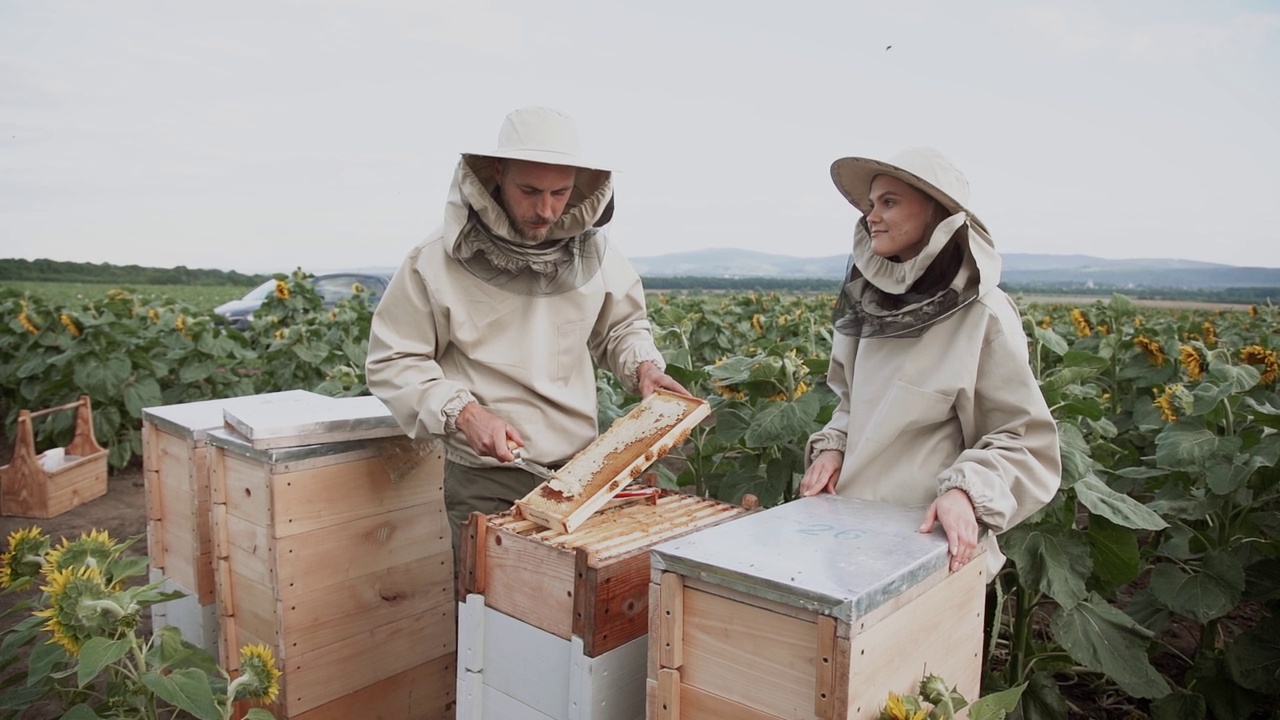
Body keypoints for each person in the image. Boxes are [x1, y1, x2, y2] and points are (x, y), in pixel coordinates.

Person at [366, 106, 687, 555]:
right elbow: (394, 359)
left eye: (560, 192)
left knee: (566, 616)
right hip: (485, 479)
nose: (545, 209)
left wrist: (645, 368)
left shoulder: (596, 253)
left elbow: (622, 326)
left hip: (580, 475)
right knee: (488, 617)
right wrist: (463, 413)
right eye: (529, 190)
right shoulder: (433, 259)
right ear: (496, 172)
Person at [799, 147, 1061, 577]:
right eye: (870, 204)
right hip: (846, 531)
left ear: (936, 213)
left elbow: (1023, 439)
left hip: (928, 545)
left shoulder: (983, 314)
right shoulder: (870, 308)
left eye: (890, 202)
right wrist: (835, 446)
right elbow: (854, 407)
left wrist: (967, 493)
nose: (871, 216)